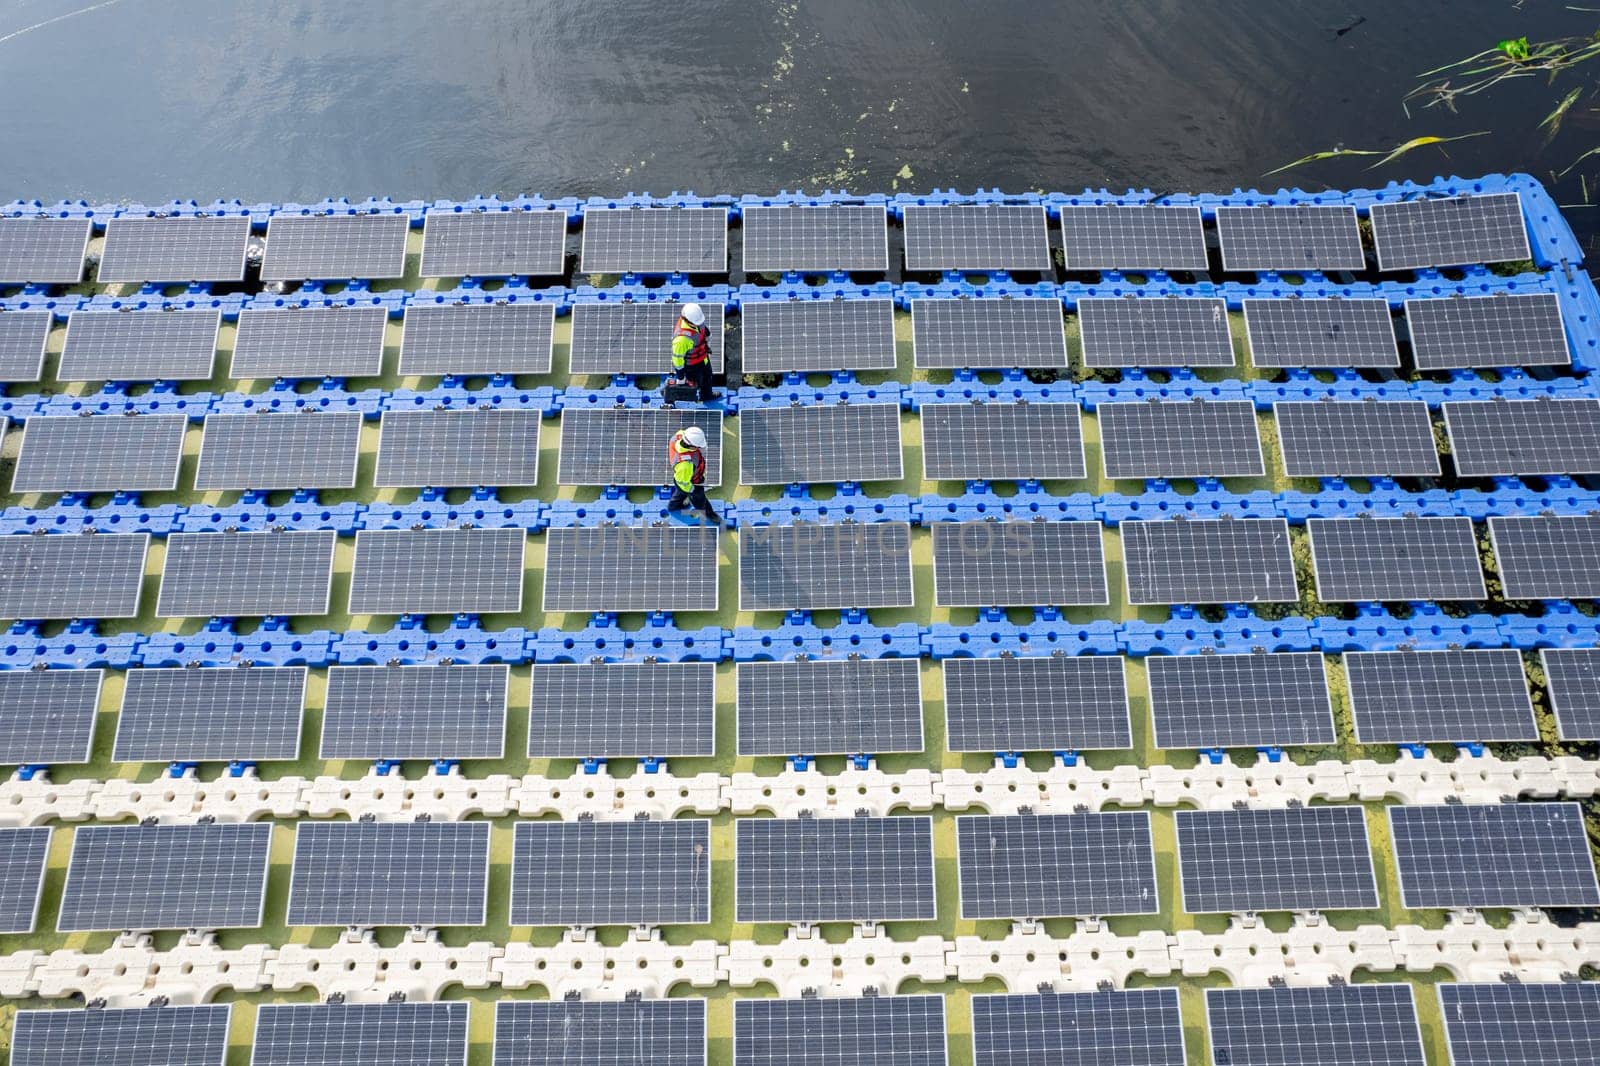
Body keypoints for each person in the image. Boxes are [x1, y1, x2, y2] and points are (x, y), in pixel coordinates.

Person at [666, 425, 718, 522]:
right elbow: (684, 483)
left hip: (681, 479)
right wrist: (693, 490)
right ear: (691, 446)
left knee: (680, 492)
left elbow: (681, 481)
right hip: (690, 482)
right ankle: (709, 514)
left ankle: (672, 506)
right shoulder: (686, 465)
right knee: (700, 500)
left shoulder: (679, 435)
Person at [669, 302, 716, 403]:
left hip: (703, 358)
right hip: (692, 366)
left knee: (708, 376)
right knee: (696, 382)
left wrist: (707, 343)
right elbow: (677, 360)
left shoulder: (697, 321)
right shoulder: (681, 339)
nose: (698, 323)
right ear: (686, 319)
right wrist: (681, 377)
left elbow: (704, 331)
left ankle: (707, 396)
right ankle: (695, 399)